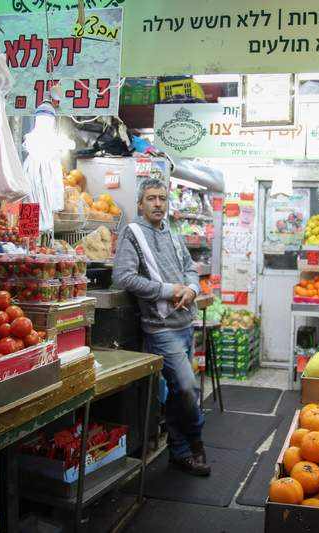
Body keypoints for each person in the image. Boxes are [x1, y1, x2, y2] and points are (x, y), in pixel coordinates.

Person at [112, 178, 210, 476]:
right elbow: (124, 277)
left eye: (162, 198)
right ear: (140, 204)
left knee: (181, 393)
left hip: (184, 323)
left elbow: (190, 270)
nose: (158, 204)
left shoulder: (174, 234)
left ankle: (180, 451)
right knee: (185, 386)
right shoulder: (133, 234)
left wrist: (192, 289)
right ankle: (193, 441)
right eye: (152, 198)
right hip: (160, 327)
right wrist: (169, 290)